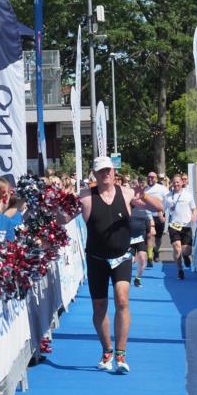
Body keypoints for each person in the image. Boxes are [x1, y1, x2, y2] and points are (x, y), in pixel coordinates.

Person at [62, 156, 163, 373]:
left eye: (108, 170)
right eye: (101, 171)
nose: (105, 174)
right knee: (99, 306)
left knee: (122, 299)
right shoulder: (85, 197)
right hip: (96, 258)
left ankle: (121, 353)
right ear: (94, 174)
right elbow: (62, 219)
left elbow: (159, 207)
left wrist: (143, 195)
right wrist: (57, 205)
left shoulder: (127, 193)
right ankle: (107, 349)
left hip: (122, 256)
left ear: (113, 171)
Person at [165, 174, 197, 280]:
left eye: (178, 182)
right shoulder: (168, 197)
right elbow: (161, 207)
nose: (176, 184)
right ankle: (180, 270)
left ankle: (185, 256)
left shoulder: (188, 195)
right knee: (177, 248)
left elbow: (194, 209)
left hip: (186, 225)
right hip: (174, 225)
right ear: (172, 183)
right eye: (174, 182)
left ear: (182, 183)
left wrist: (194, 216)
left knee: (187, 250)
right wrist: (161, 215)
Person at [128, 182, 155, 288]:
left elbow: (150, 217)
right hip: (129, 238)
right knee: (128, 261)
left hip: (141, 237)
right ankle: (125, 279)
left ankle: (137, 279)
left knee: (143, 259)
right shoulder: (127, 205)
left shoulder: (145, 206)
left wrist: (151, 229)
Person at [145, 171, 169, 265]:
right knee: (150, 236)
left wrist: (162, 212)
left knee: (158, 238)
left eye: (152, 177)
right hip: (148, 216)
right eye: (149, 177)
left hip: (159, 217)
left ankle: (156, 251)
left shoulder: (162, 189)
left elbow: (168, 201)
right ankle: (150, 257)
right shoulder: (145, 190)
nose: (150, 179)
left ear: (156, 179)